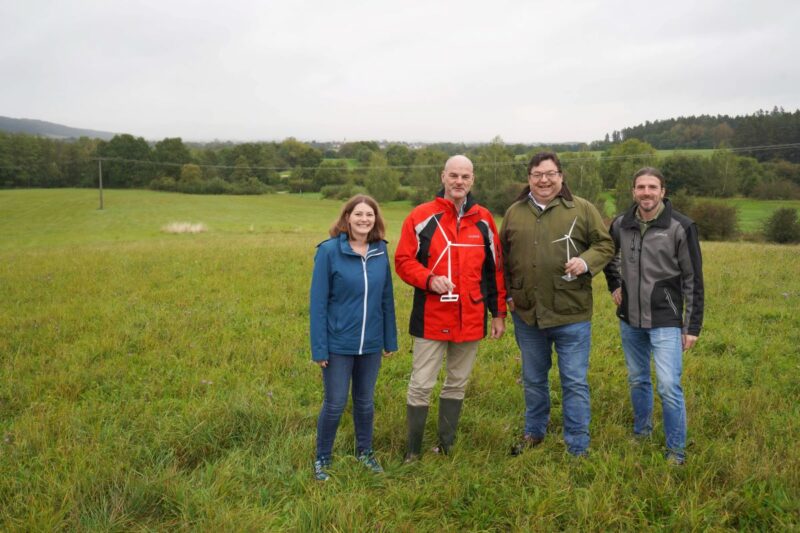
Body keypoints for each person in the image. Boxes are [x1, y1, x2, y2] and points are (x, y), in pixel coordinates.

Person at [500, 151, 614, 457]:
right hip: (528, 315)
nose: (544, 180)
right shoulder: (514, 212)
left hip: (571, 313)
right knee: (534, 379)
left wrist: (585, 261)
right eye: (537, 174)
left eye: (550, 174)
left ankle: (577, 443)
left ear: (561, 177)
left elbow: (605, 244)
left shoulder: (582, 208)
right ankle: (534, 432)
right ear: (529, 179)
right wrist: (509, 295)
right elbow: (502, 258)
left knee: (574, 381)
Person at [395, 155, 507, 462]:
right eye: (454, 175)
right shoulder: (421, 216)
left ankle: (445, 446)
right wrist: (429, 280)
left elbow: (495, 270)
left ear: (473, 180)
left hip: (470, 317)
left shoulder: (484, 219)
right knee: (421, 384)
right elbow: (403, 261)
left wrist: (498, 313)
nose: (459, 182)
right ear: (443, 177)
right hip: (431, 316)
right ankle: (413, 451)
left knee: (457, 383)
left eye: (465, 176)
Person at [604, 167, 704, 465]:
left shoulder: (680, 226)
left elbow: (693, 280)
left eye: (652, 187)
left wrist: (692, 326)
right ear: (633, 191)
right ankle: (642, 431)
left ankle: (676, 450)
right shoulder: (621, 223)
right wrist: (614, 286)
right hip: (630, 319)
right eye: (640, 187)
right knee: (637, 379)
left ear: (662, 191)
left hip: (665, 320)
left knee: (669, 386)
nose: (646, 192)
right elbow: (609, 256)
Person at [309, 195, 398, 481]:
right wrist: (319, 348)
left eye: (369, 215)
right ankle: (323, 458)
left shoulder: (380, 251)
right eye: (358, 214)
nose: (364, 219)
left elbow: (386, 298)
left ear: (375, 219)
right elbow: (318, 304)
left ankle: (365, 452)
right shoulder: (328, 252)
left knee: (365, 402)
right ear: (347, 217)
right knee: (335, 403)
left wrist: (389, 340)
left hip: (370, 343)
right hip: (337, 344)